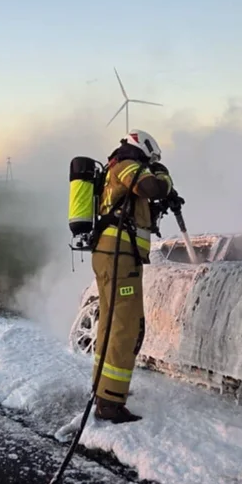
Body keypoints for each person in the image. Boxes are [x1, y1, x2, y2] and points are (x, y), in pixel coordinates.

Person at [90, 129, 179, 424]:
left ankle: (102, 390)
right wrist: (164, 176)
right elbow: (151, 186)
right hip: (119, 256)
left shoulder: (116, 165)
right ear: (145, 149)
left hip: (111, 255)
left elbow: (138, 202)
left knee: (110, 324)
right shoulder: (127, 162)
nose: (153, 163)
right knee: (125, 328)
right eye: (153, 159)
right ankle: (111, 403)